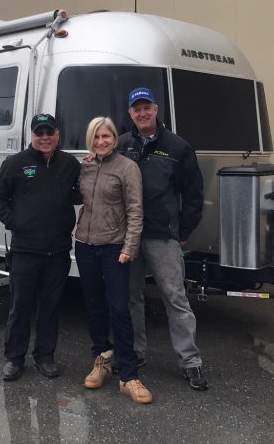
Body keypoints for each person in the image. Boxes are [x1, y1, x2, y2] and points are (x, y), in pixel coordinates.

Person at [118, 87, 208, 391]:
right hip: (129, 236)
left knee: (175, 298)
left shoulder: (178, 147)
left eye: (147, 108)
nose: (142, 113)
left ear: (156, 110)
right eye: (137, 109)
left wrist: (183, 232)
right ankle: (135, 353)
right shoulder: (122, 145)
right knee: (131, 297)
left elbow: (193, 194)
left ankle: (190, 362)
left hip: (162, 235)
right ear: (130, 113)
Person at [0, 114, 81, 382]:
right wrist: (14, 221)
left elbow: (79, 193)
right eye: (39, 133)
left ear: (58, 134)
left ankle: (45, 356)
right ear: (31, 135)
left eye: (49, 132)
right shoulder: (15, 163)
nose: (45, 137)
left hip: (58, 251)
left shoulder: (69, 164)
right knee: (21, 306)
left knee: (50, 307)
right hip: (25, 251)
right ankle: (14, 358)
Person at [75, 116, 152, 404]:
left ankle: (129, 376)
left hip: (115, 248)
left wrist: (129, 247)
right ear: (90, 140)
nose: (101, 141)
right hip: (85, 245)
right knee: (95, 307)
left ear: (114, 138)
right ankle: (102, 361)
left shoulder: (127, 167)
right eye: (96, 137)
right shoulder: (85, 166)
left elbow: (135, 210)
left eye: (106, 136)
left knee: (119, 309)